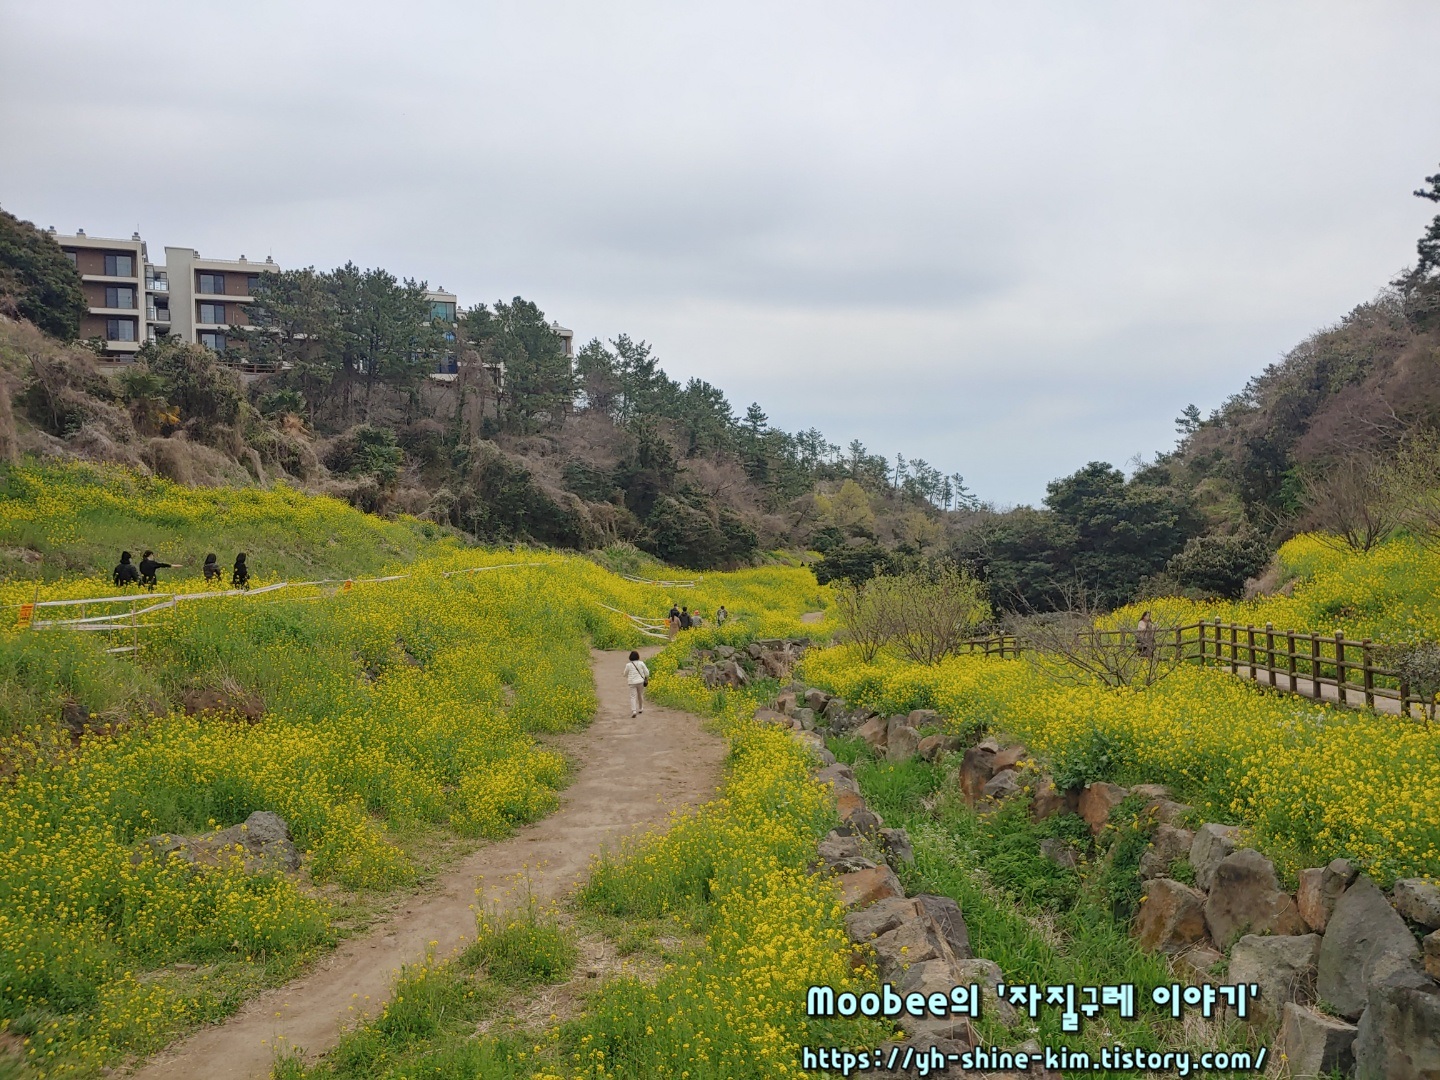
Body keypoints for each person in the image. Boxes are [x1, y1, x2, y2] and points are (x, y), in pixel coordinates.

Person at [624, 650, 650, 718]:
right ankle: (641, 708)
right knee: (640, 695)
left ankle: (634, 711)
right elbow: (647, 672)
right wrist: (646, 678)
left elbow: (625, 674)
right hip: (640, 681)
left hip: (632, 682)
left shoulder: (628, 665)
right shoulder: (641, 663)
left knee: (633, 696)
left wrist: (629, 676)